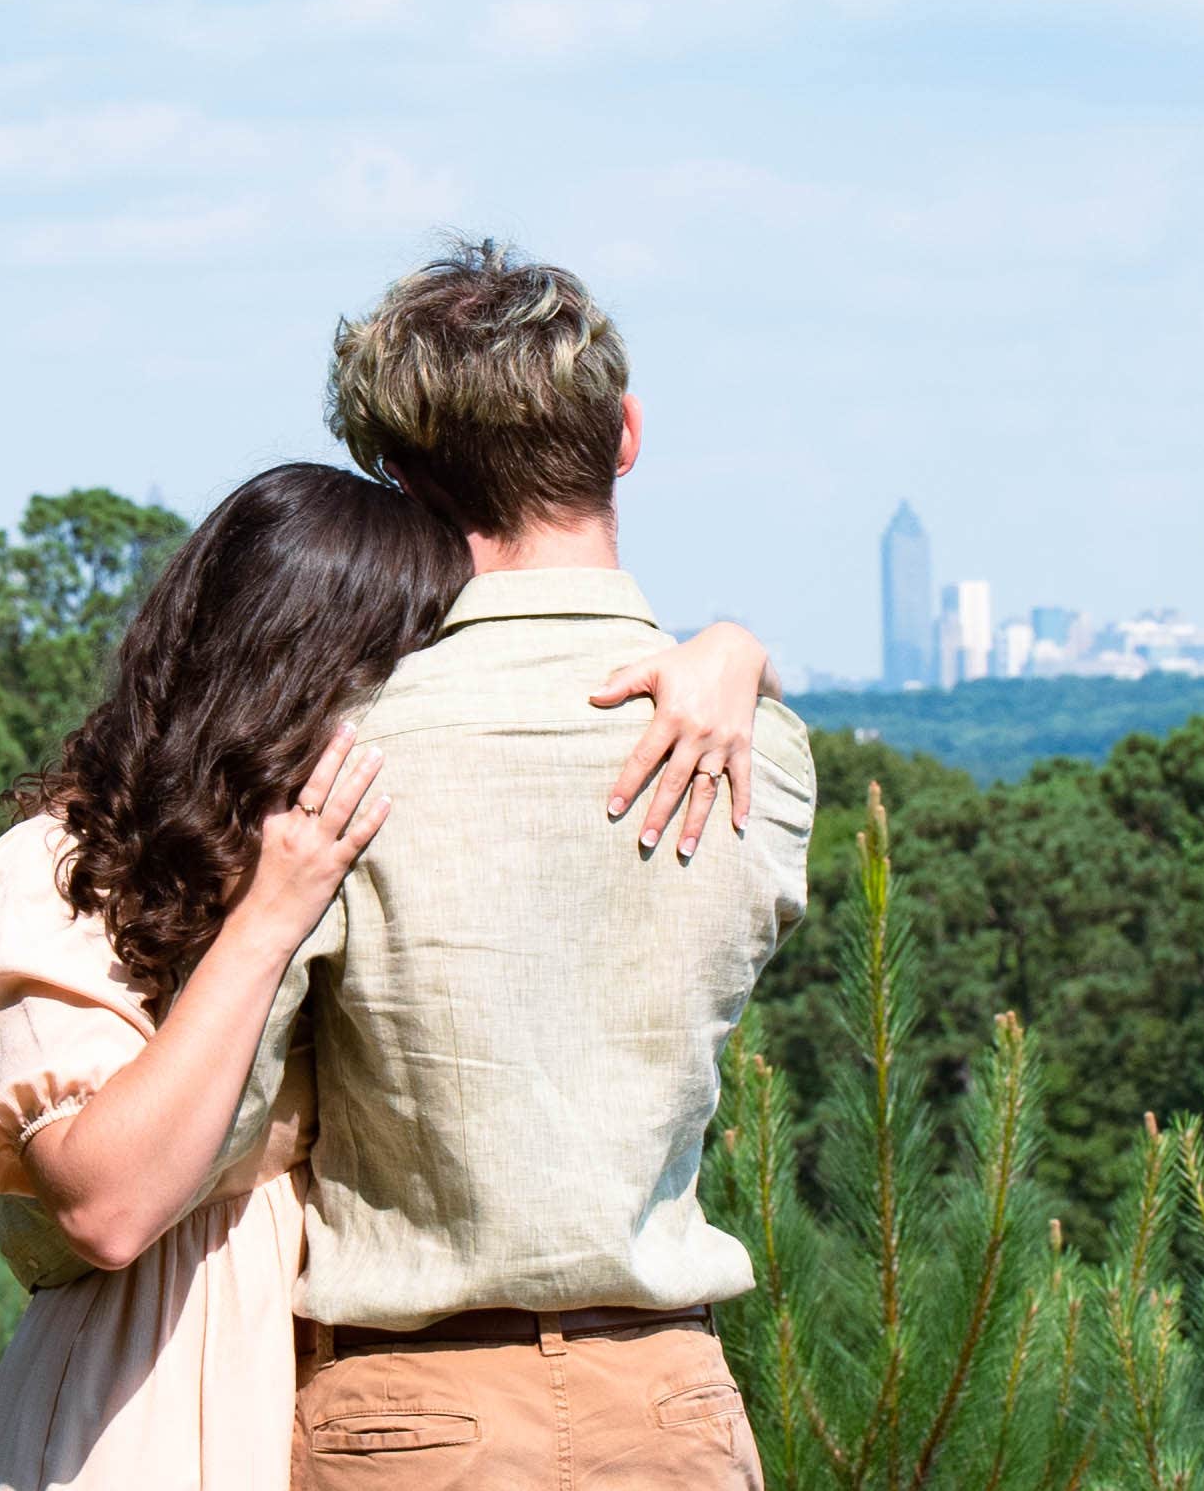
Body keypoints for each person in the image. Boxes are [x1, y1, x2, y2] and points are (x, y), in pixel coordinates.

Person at [0, 457, 785, 1483]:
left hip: (357, 1413)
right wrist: (271, 916)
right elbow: (108, 1207)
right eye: (401, 670)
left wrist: (730, 655)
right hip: (150, 1400)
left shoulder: (350, 866)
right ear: (292, 674)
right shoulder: (62, 867)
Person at [222, 237, 815, 1489]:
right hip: (673, 1408)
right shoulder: (759, 754)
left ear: (393, 478)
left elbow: (232, 1126)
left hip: (408, 1413)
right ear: (628, 435)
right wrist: (740, 649)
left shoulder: (333, 754)